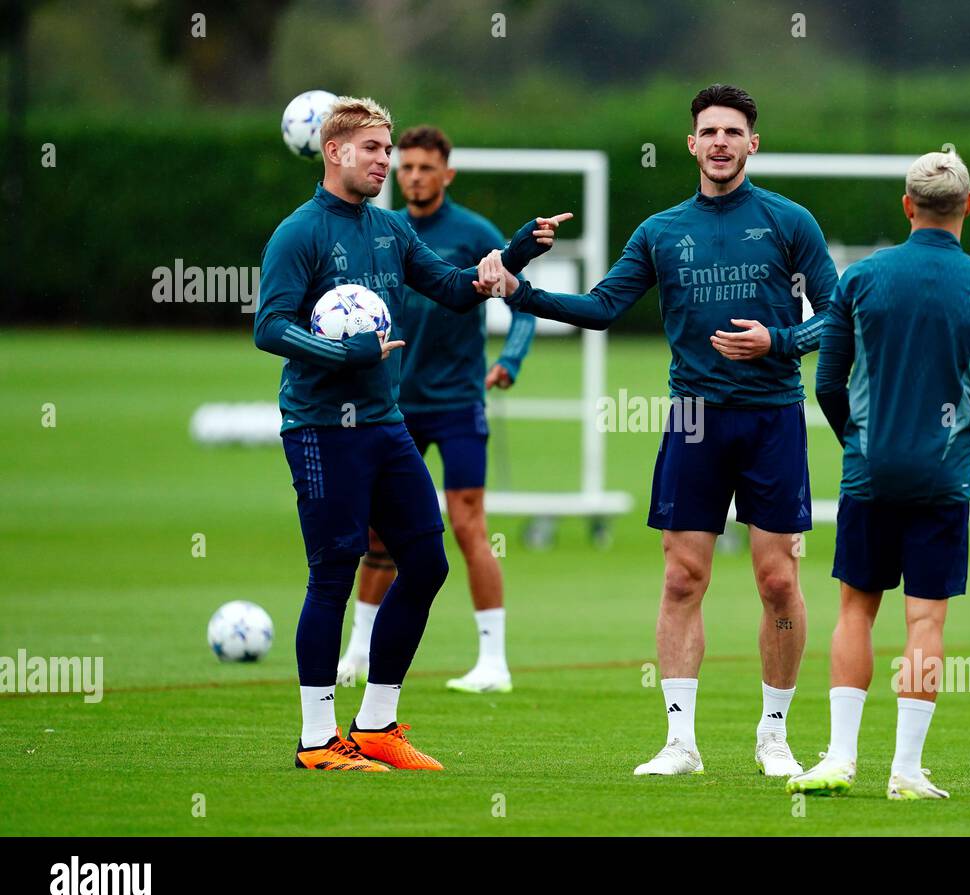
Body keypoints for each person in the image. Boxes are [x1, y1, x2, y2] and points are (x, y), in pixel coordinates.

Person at [477, 84, 839, 778]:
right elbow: (603, 306)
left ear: (752, 144)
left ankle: (774, 736)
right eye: (710, 131)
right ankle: (680, 742)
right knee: (681, 579)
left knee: (776, 582)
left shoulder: (791, 222)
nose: (722, 142)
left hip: (772, 421)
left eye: (734, 132)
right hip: (694, 421)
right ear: (692, 144)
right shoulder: (661, 230)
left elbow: (838, 316)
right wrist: (523, 293)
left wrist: (779, 342)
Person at [254, 96, 567, 771]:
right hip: (319, 427)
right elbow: (269, 326)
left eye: (386, 149)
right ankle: (316, 742)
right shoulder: (299, 233)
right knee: (333, 573)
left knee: (426, 563)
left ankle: (375, 725)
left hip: (384, 425)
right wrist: (346, 355)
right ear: (335, 151)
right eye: (373, 149)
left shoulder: (391, 230)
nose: (384, 161)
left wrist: (513, 252)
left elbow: (454, 288)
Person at [788, 150, 970, 798]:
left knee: (855, 612)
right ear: (968, 205)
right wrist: (956, 451)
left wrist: (858, 445)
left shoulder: (861, 280)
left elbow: (829, 383)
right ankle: (907, 771)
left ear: (906, 205)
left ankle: (837, 758)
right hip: (941, 481)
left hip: (870, 475)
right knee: (925, 622)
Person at [337, 125, 536, 695]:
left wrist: (511, 360)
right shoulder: (385, 231)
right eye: (406, 167)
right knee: (378, 533)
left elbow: (520, 303)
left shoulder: (475, 233)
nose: (414, 176)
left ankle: (493, 661)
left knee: (468, 523)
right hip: (394, 403)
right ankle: (358, 652)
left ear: (446, 174)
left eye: (426, 168)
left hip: (458, 403)